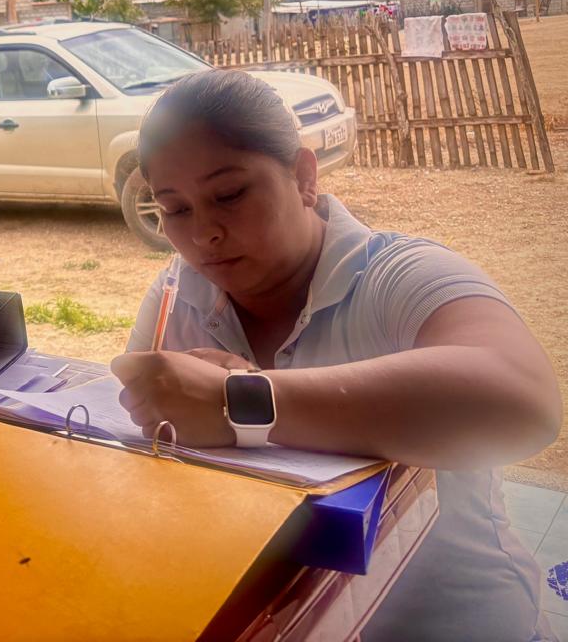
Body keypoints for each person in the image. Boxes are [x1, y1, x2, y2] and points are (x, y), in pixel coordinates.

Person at [111, 69, 561, 642]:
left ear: (303, 176)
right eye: (175, 209)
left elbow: (525, 403)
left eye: (229, 195)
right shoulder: (181, 292)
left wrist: (243, 402)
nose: (204, 235)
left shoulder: (397, 277)